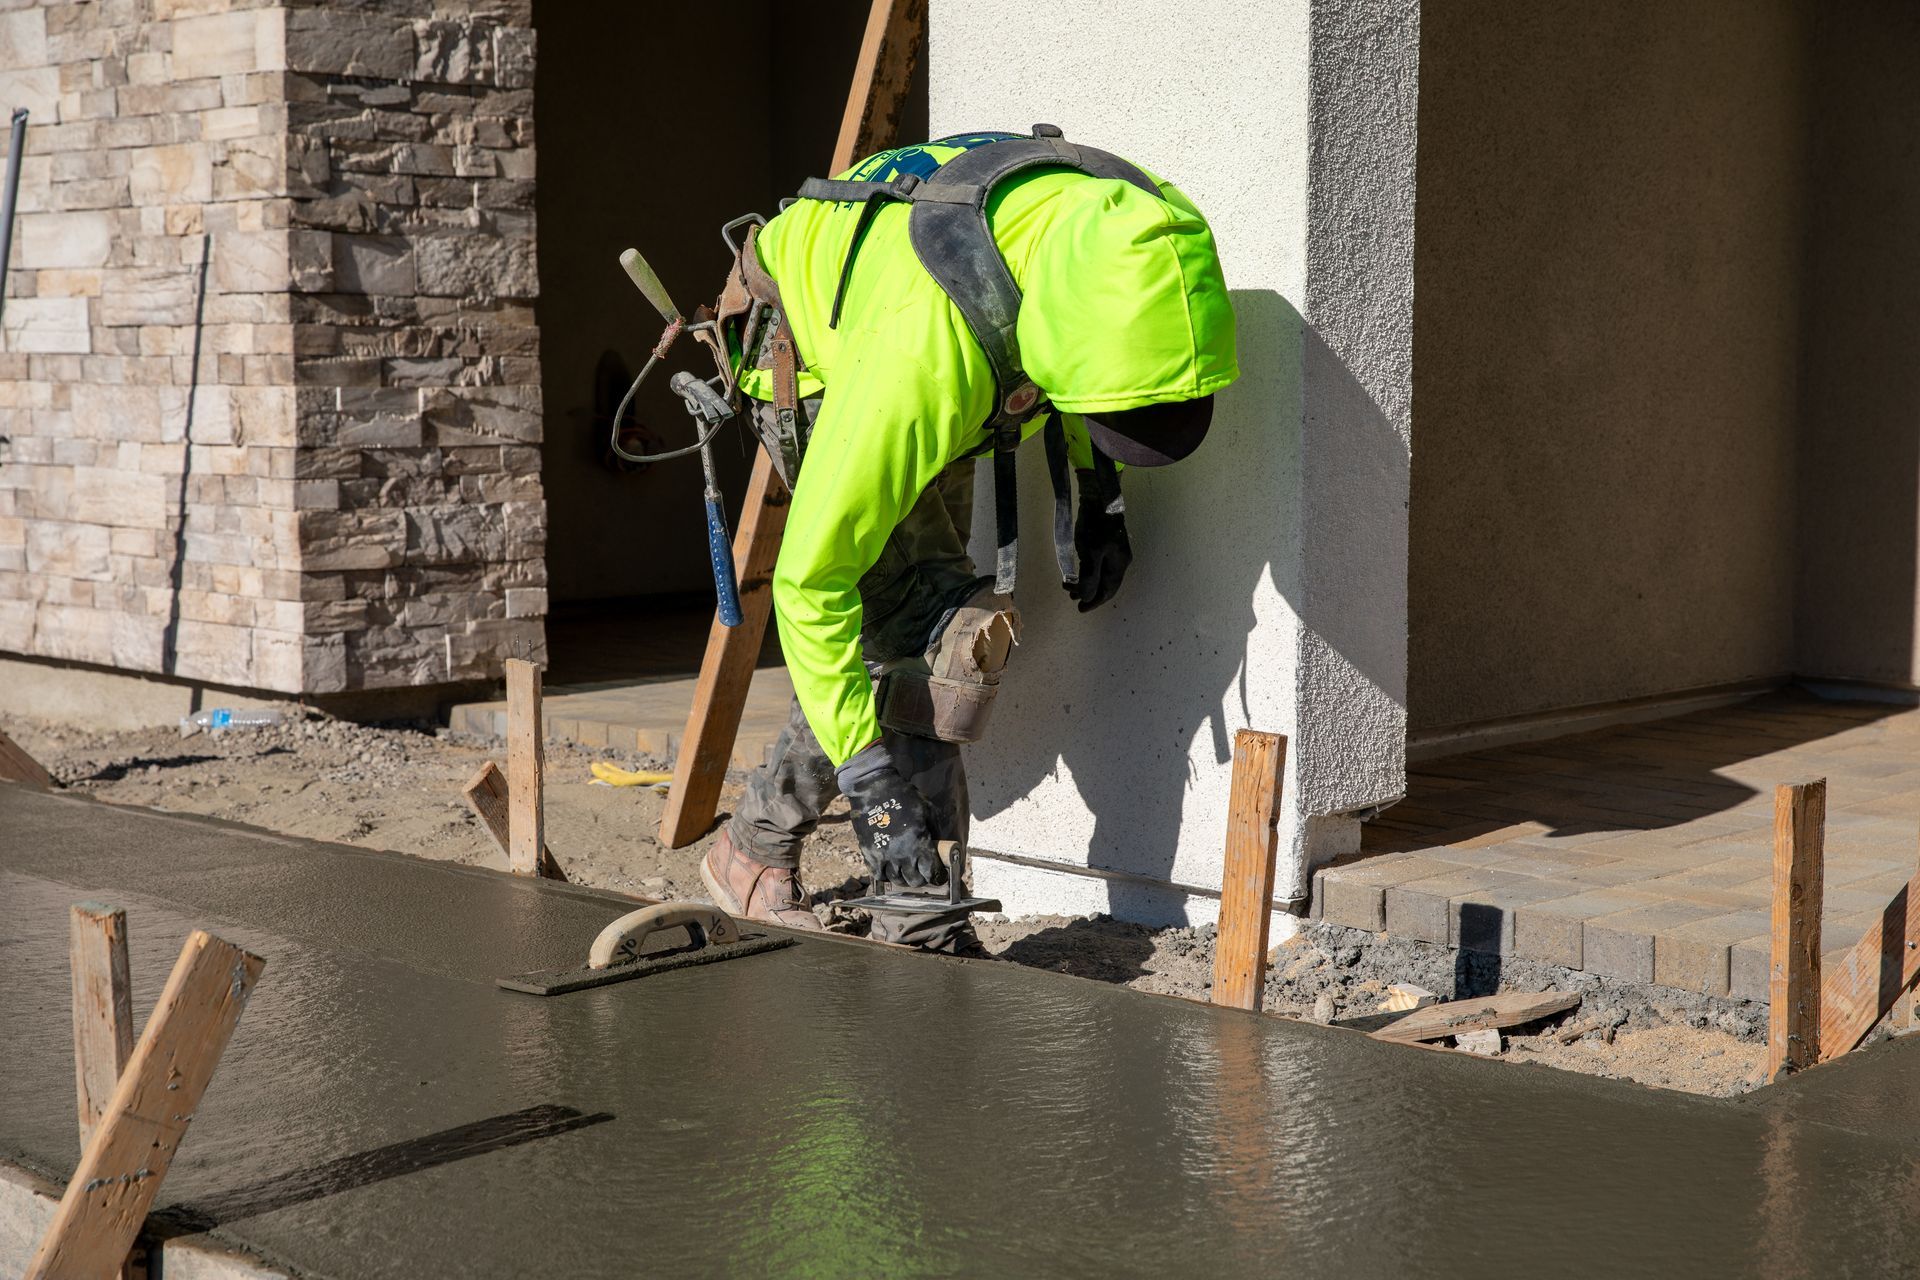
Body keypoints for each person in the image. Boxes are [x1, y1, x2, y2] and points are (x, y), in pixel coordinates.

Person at [698, 127, 1238, 950]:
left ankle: (918, 888)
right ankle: (771, 854)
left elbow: (1111, 353)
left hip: (930, 314)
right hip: (814, 354)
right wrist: (871, 786)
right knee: (902, 628)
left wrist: (1099, 494)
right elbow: (809, 585)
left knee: (939, 632)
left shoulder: (1137, 235)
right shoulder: (917, 368)